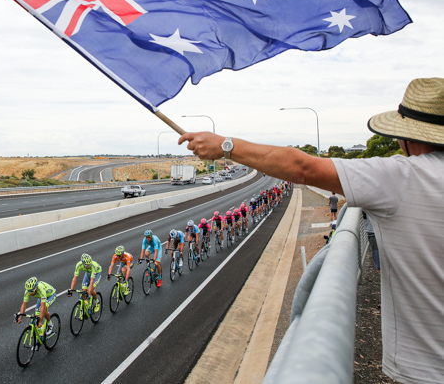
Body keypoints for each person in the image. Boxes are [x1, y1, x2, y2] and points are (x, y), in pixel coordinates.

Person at [178, 77, 444, 384]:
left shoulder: (402, 176)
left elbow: (303, 168)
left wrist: (227, 146)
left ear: (407, 137)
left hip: (426, 369)